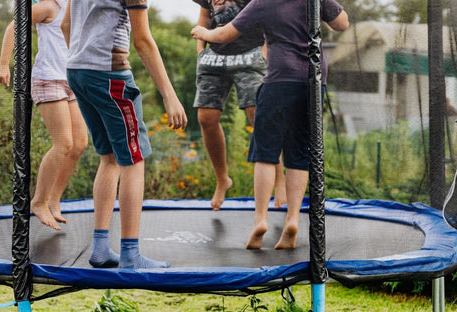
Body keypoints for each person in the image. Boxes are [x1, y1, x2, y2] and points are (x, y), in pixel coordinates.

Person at [192, 0, 348, 249]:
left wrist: (203, 33)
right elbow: (342, 23)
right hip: (314, 81)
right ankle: (293, 220)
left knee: (265, 153)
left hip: (279, 80)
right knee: (299, 153)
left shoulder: (263, 1)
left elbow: (225, 33)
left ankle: (260, 220)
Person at [61, 0, 188, 269]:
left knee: (109, 157)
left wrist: (83, 54)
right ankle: (130, 254)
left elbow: (65, 25)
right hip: (109, 74)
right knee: (134, 159)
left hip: (76, 70)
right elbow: (143, 41)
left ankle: (99, 249)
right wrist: (170, 96)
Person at [0, 0, 88, 231]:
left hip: (71, 80)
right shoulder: (48, 6)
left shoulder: (76, 6)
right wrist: (4, 65)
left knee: (79, 145)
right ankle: (39, 201)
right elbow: (13, 27)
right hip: (48, 79)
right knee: (63, 144)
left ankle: (54, 199)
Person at [192, 0, 286, 211]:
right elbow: (205, 16)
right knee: (206, 119)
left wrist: (264, 52)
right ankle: (222, 179)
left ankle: (280, 178)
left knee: (258, 116)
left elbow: (270, 16)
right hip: (214, 57)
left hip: (250, 54)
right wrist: (200, 51)